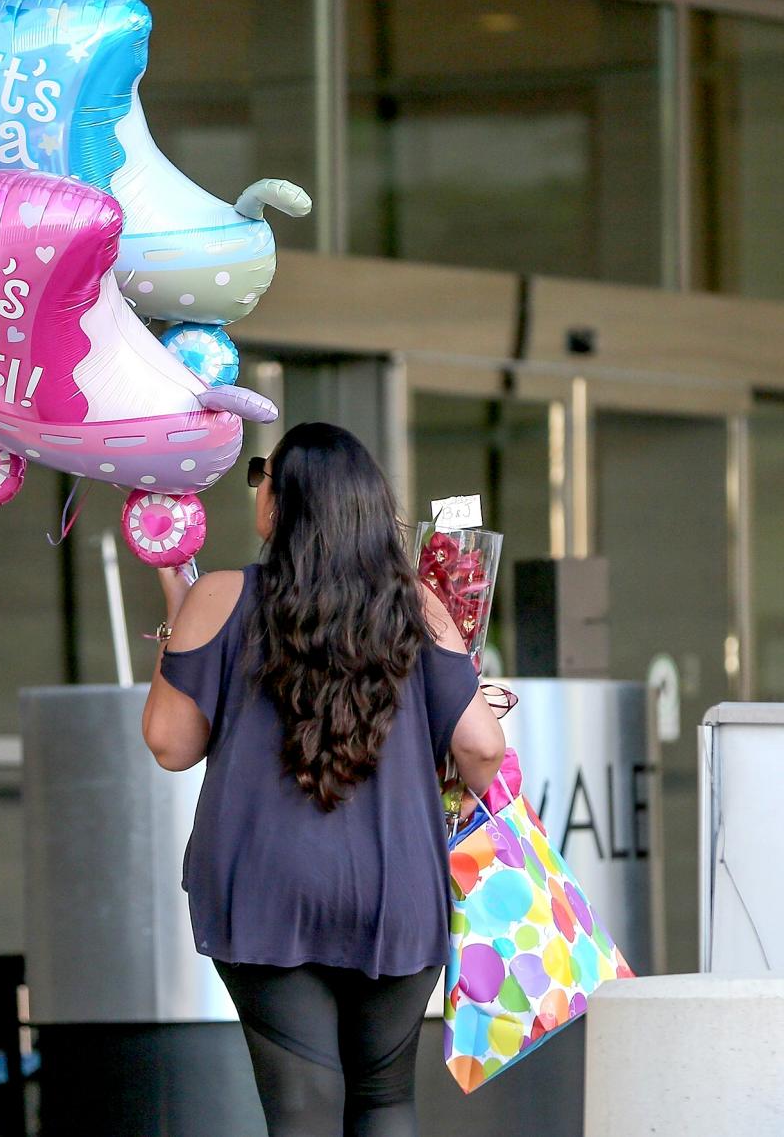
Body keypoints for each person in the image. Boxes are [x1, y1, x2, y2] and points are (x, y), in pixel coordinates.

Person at [142, 422, 505, 1137]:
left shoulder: (220, 596)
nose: (257, 489)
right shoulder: (420, 606)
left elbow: (170, 744)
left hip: (264, 885)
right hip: (397, 885)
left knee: (303, 1108)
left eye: (261, 475)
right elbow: (482, 748)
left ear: (284, 501)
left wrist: (177, 617)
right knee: (386, 1099)